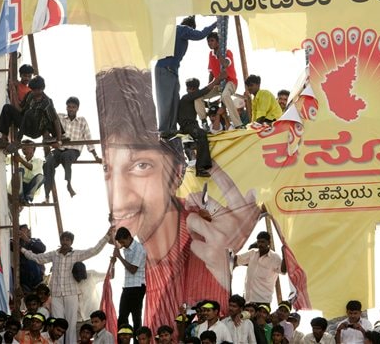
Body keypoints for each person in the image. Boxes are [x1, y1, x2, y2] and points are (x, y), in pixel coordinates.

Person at [97, 67, 261, 335]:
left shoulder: (199, 224)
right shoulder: (142, 236)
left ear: (175, 172)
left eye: (140, 166)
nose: (125, 190)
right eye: (109, 170)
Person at [20, 228, 113, 343]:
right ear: (60, 240)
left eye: (68, 240)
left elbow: (94, 250)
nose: (65, 242)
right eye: (63, 239)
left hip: (71, 293)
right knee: (57, 323)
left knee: (71, 323)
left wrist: (107, 237)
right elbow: (37, 258)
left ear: (71, 242)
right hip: (56, 293)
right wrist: (22, 250)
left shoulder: (76, 254)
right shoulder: (54, 255)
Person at [155, 16, 217, 137]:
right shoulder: (182, 29)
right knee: (166, 101)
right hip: (165, 69)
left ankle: (171, 128)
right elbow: (200, 34)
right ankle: (163, 130)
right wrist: (216, 23)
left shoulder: (178, 33)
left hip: (172, 71)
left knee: (174, 101)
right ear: (191, 27)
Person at [43, 96, 100, 201]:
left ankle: (68, 183)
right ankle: (47, 194)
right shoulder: (60, 117)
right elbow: (48, 124)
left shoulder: (82, 121)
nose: (71, 109)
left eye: (73, 107)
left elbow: (88, 138)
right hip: (59, 149)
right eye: (69, 107)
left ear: (77, 108)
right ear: (66, 108)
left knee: (66, 155)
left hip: (73, 150)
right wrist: (51, 141)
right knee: (48, 163)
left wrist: (95, 156)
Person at [0, 76, 63, 152]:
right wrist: (13, 90)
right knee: (7, 108)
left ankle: (18, 141)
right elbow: (19, 109)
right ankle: (4, 139)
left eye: (36, 90)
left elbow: (55, 121)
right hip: (25, 125)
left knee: (29, 113)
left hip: (36, 130)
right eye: (33, 90)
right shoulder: (30, 95)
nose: (34, 92)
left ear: (41, 89)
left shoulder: (47, 103)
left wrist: (59, 140)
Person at [194, 32, 243, 130]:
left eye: (212, 41)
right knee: (197, 96)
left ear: (218, 42)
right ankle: (204, 121)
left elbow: (225, 63)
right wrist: (208, 88)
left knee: (225, 95)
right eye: (208, 41)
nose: (209, 43)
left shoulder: (227, 52)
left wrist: (219, 53)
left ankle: (238, 124)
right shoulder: (210, 54)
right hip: (218, 84)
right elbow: (211, 73)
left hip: (231, 82)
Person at [179, 76, 224, 177]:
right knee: (202, 134)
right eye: (195, 89)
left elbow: (205, 104)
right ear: (191, 89)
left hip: (192, 126)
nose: (195, 91)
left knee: (205, 135)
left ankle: (192, 147)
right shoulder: (186, 98)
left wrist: (216, 103)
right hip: (188, 127)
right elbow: (204, 91)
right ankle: (200, 168)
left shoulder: (194, 100)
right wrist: (216, 80)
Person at [234, 231, 286, 304]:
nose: (260, 244)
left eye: (263, 242)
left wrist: (285, 256)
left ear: (268, 242)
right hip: (247, 300)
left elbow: (283, 271)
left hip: (263, 301)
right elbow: (236, 259)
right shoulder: (252, 253)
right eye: (258, 242)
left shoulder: (275, 258)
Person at [114, 226, 146, 330]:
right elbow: (112, 242)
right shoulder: (126, 247)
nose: (122, 245)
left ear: (129, 237)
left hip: (137, 287)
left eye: (123, 242)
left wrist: (119, 257)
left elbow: (133, 269)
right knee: (122, 317)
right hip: (127, 286)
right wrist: (111, 223)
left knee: (136, 318)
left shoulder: (139, 249)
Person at [13, 140, 44, 204]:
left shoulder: (39, 161)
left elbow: (31, 167)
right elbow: (6, 159)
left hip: (31, 187)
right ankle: (21, 196)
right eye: (22, 146)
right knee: (20, 170)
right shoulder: (20, 157)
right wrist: (13, 149)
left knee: (41, 177)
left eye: (26, 146)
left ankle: (27, 198)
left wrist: (21, 160)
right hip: (20, 185)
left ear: (32, 148)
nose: (23, 147)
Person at [17, 224, 46, 293]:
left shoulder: (35, 240)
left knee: (32, 261)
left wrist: (27, 240)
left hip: (37, 276)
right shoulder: (16, 242)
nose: (28, 230)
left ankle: (36, 286)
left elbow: (42, 249)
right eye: (25, 229)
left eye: (28, 229)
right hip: (24, 276)